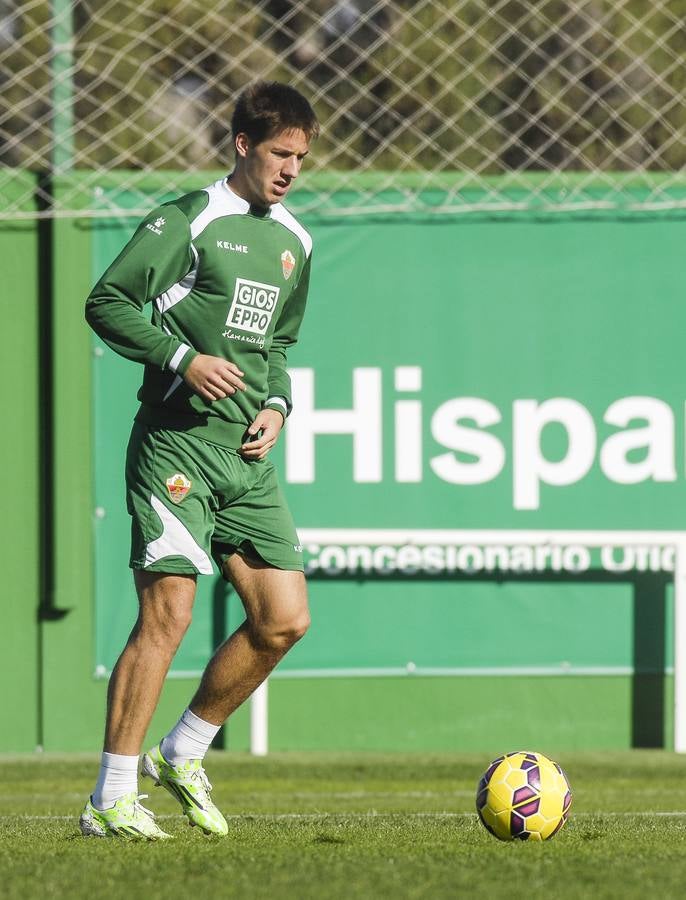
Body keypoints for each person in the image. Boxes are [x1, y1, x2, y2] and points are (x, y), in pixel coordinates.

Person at [79, 81, 319, 840]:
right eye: (280, 153)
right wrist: (183, 357)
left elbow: (277, 346)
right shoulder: (189, 218)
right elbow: (108, 301)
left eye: (302, 158)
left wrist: (276, 405)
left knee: (284, 620)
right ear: (244, 145)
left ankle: (181, 753)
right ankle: (110, 795)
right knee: (170, 613)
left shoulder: (296, 241)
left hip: (245, 460)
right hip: (176, 445)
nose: (290, 170)